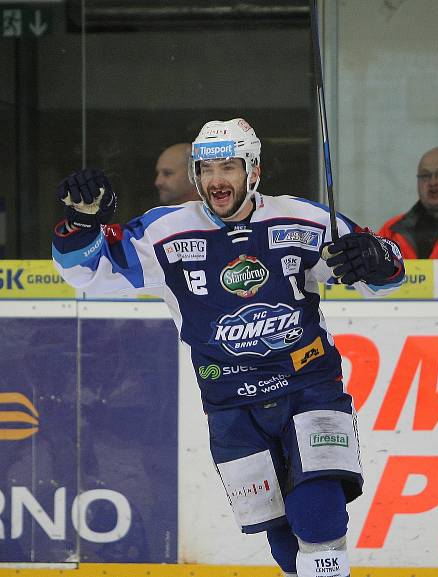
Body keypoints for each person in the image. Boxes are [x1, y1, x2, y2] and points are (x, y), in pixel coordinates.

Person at [52, 118, 405, 577]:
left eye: (229, 166)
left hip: (309, 385)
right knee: (282, 538)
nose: (217, 179)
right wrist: (80, 224)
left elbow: (385, 275)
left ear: (253, 171)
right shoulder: (164, 232)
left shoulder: (304, 218)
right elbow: (86, 276)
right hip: (230, 405)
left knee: (319, 513)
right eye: (206, 168)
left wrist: (378, 259)